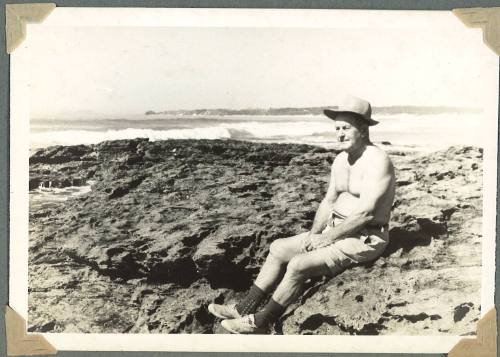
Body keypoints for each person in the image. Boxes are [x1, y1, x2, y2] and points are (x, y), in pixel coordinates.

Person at [208, 95, 396, 334]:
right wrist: (315, 234)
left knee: (298, 264)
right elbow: (329, 201)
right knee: (278, 248)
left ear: (363, 128)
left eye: (346, 128)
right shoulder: (340, 160)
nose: (339, 133)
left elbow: (366, 214)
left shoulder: (378, 161)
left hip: (364, 238)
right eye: (337, 128)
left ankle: (261, 321)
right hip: (335, 230)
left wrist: (327, 239)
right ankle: (244, 307)